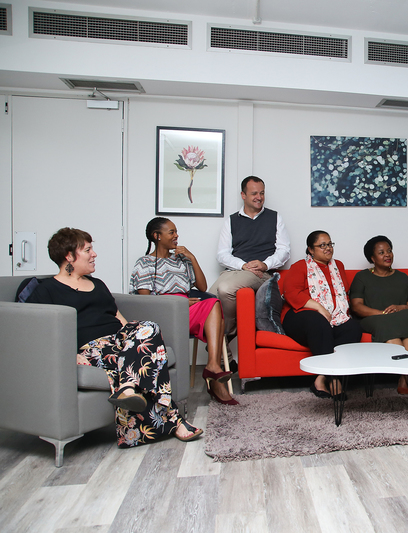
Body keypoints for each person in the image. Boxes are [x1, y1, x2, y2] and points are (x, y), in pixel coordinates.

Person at [27, 228, 203, 446]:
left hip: (119, 340)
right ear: (69, 256)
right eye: (88, 250)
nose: (95, 254)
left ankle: (128, 388)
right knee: (145, 355)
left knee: (149, 328)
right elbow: (39, 331)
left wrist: (140, 339)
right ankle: (175, 422)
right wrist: (68, 355)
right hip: (91, 347)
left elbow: (120, 319)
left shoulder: (98, 284)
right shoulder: (47, 290)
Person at [130, 217, 238, 406]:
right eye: (171, 232)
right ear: (156, 236)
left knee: (213, 301)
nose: (176, 236)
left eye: (176, 231)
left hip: (188, 308)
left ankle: (213, 365)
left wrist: (192, 258)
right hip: (164, 312)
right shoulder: (144, 263)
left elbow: (203, 286)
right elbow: (145, 300)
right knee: (213, 306)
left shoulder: (181, 260)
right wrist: (177, 303)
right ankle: (214, 374)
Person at [282, 230, 363, 397]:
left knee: (353, 327)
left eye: (330, 244)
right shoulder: (299, 267)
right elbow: (291, 293)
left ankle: (320, 378)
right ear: (311, 250)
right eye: (322, 245)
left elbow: (343, 293)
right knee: (319, 322)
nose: (328, 248)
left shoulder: (338, 266)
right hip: (301, 317)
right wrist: (319, 307)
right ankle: (334, 380)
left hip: (334, 317)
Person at [210, 176, 290, 340]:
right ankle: (226, 355)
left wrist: (265, 264)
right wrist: (242, 265)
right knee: (208, 300)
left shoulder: (275, 217)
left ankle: (228, 334)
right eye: (254, 193)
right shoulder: (231, 221)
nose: (259, 197)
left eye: (262, 193)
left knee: (225, 289)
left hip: (261, 274)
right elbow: (222, 254)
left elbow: (284, 251)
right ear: (243, 195)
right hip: (236, 270)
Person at [349, 235, 408, 394]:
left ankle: (404, 378)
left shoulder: (402, 277)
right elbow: (356, 307)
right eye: (381, 252)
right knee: (387, 322)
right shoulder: (362, 277)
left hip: (398, 318)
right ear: (372, 258)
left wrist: (399, 307)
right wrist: (381, 313)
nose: (387, 255)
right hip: (371, 319)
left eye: (389, 251)